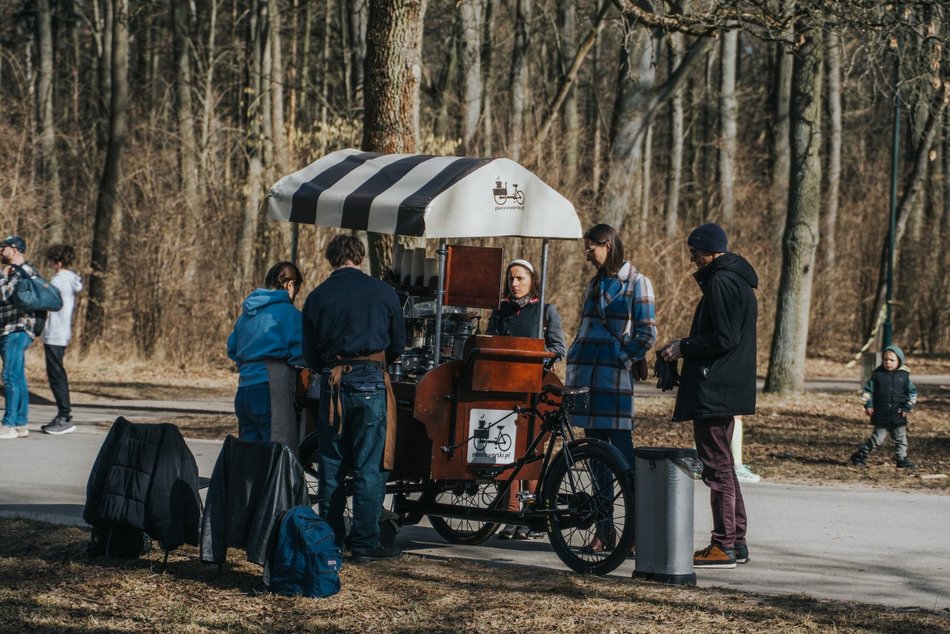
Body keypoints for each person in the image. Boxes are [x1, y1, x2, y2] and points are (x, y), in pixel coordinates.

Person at [302, 235, 405, 563]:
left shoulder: (317, 296)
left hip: (333, 385)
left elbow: (310, 353)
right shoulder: (384, 292)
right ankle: (364, 542)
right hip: (370, 383)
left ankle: (330, 540)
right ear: (360, 257)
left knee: (331, 465)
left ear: (331, 259)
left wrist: (329, 366)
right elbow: (398, 344)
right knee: (369, 467)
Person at [661, 222, 757, 569]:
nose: (693, 260)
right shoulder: (737, 280)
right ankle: (737, 542)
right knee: (725, 466)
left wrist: (682, 347)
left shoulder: (721, 281)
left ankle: (723, 545)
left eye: (695, 253)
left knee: (717, 468)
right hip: (725, 387)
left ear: (711, 251)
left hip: (715, 388)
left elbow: (724, 337)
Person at [565, 224, 656, 552]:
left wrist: (622, 359)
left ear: (607, 245)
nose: (587, 254)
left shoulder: (638, 282)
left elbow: (647, 334)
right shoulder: (594, 283)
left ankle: (634, 534)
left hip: (614, 383)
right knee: (596, 461)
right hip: (585, 380)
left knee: (623, 461)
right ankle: (605, 532)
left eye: (590, 248)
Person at [487, 258, 566, 540]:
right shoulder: (500, 311)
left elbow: (559, 348)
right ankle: (510, 514)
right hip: (504, 391)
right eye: (511, 278)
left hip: (535, 391)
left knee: (531, 451)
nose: (515, 283)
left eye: (520, 278)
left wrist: (537, 362)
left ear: (532, 280)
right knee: (506, 451)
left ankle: (530, 516)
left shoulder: (545, 310)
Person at [227, 262, 305, 445]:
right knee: (277, 451)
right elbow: (303, 352)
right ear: (290, 285)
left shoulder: (246, 314)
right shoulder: (290, 314)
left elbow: (232, 349)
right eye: (297, 290)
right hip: (271, 389)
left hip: (244, 389)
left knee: (250, 452)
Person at [850, 344, 918, 469]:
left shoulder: (904, 376)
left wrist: (907, 407)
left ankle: (901, 459)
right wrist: (868, 404)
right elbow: (867, 391)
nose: (888, 362)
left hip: (898, 413)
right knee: (877, 439)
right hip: (881, 413)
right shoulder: (877, 375)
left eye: (892, 360)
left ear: (899, 361)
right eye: (885, 359)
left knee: (901, 439)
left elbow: (912, 393)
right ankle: (860, 455)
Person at [41, 244, 83, 435]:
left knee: (56, 375)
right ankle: (63, 414)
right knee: (57, 373)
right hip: (61, 331)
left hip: (55, 332)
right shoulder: (70, 279)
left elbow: (47, 302)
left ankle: (64, 416)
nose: (51, 265)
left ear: (58, 262)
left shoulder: (59, 280)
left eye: (51, 261)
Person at [0, 236, 39, 440]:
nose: (0, 251)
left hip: (17, 329)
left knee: (9, 376)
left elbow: (4, 295)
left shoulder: (21, 271)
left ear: (14, 250)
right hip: (11, 329)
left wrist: (2, 276)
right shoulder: (20, 271)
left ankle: (9, 424)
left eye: (3, 248)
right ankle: (21, 424)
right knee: (17, 377)